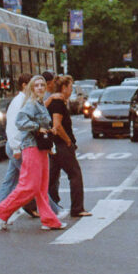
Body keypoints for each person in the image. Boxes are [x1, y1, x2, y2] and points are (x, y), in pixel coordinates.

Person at [0, 75, 64, 230]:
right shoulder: (31, 104)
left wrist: (48, 132)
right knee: (29, 186)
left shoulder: (40, 104)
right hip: (31, 148)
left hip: (41, 148)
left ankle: (49, 220)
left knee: (41, 187)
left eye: (42, 85)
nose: (40, 88)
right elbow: (20, 121)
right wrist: (37, 127)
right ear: (31, 88)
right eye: (36, 85)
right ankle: (1, 211)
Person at [48, 75, 89, 217]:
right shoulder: (58, 103)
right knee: (75, 174)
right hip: (61, 145)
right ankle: (77, 208)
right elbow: (57, 125)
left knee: (51, 178)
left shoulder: (55, 100)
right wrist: (68, 141)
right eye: (70, 87)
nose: (71, 90)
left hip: (53, 145)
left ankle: (47, 205)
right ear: (64, 88)